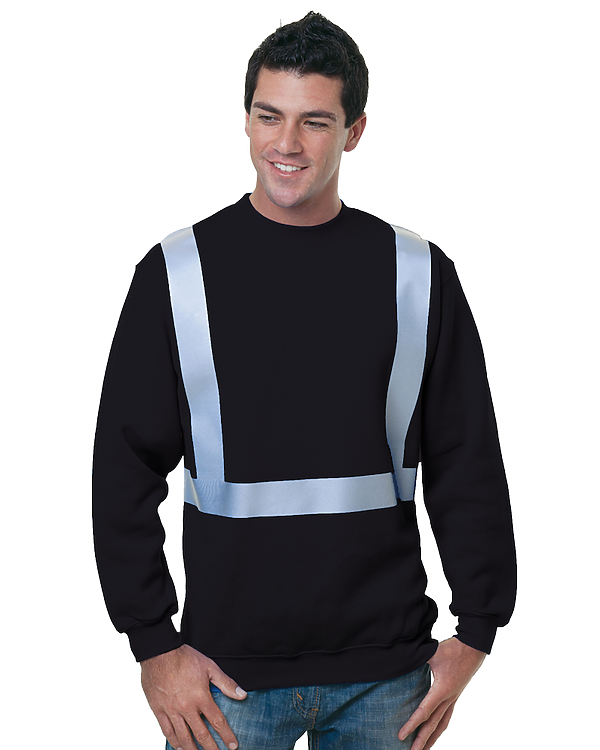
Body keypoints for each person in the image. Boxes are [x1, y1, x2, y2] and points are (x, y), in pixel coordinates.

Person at [92, 11, 516, 750]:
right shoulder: (179, 273)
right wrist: (153, 644)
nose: (286, 144)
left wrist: (478, 627)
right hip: (224, 679)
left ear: (354, 131)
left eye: (315, 121)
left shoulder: (417, 274)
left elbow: (467, 458)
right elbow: (122, 469)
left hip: (388, 677)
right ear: (246, 119)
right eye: (269, 116)